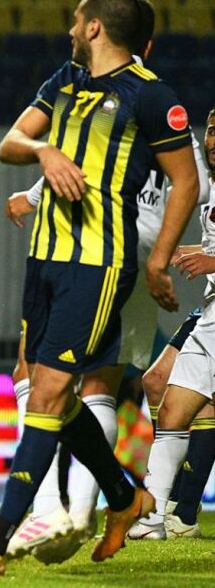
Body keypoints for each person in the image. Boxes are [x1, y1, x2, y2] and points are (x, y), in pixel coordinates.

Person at [0, 0, 199, 576]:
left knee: (50, 394)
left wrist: (158, 261)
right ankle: (125, 497)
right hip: (45, 258)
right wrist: (44, 153)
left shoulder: (151, 95)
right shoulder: (65, 80)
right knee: (47, 387)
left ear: (97, 27)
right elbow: (10, 143)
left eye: (78, 22)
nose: (71, 30)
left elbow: (186, 180)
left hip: (98, 264)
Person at [1, 0, 211, 562]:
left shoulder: (104, 93)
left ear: (98, 31)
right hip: (144, 251)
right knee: (103, 384)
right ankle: (84, 510)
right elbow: (195, 186)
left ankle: (48, 509)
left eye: (77, 20)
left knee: (37, 372)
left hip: (100, 247)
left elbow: (88, 162)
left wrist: (33, 195)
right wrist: (164, 252)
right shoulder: (166, 108)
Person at [129, 107, 215, 540]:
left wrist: (212, 261)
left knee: (177, 404)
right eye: (212, 131)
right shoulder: (211, 188)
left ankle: (177, 511)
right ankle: (161, 517)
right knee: (170, 404)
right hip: (211, 312)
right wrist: (193, 252)